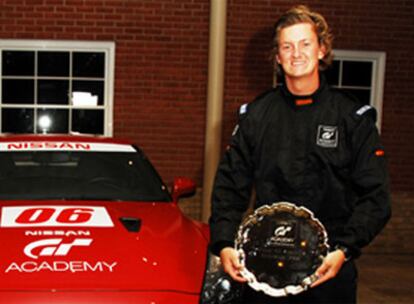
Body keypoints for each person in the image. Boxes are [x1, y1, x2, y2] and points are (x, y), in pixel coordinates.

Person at [209, 5, 391, 304]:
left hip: (329, 269)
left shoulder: (352, 118)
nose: (296, 53)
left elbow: (376, 196)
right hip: (264, 269)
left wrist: (344, 249)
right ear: (277, 56)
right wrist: (225, 242)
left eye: (305, 44)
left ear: (321, 49)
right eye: (287, 46)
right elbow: (229, 186)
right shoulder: (256, 116)